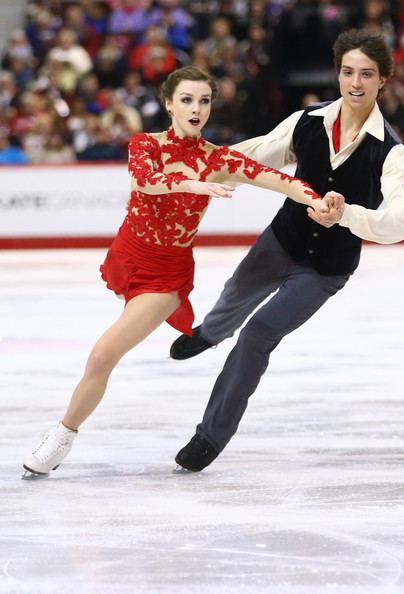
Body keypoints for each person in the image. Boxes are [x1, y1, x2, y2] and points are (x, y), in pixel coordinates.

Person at [22, 65, 335, 477]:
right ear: (169, 103)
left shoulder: (218, 160)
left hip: (163, 276)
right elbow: (147, 181)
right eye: (186, 99)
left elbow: (276, 179)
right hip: (129, 251)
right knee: (102, 354)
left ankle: (62, 436)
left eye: (204, 101)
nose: (196, 109)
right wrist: (192, 184)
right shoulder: (144, 145)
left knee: (101, 356)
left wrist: (316, 199)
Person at [171, 30, 404, 472]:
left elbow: (400, 222)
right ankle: (208, 334)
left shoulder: (391, 150)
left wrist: (347, 216)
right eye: (348, 71)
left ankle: (209, 436)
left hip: (325, 269)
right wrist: (198, 167)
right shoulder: (307, 121)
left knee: (257, 335)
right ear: (338, 73)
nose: (355, 83)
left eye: (367, 74)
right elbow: (255, 155)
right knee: (235, 293)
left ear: (384, 79)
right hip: (282, 238)